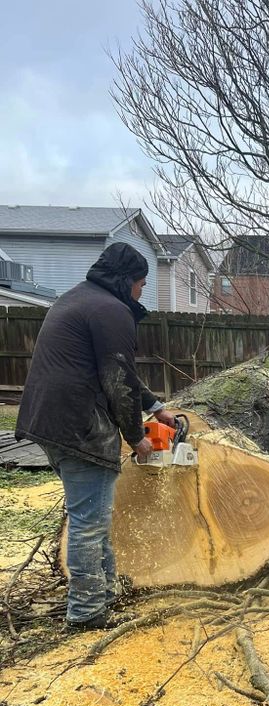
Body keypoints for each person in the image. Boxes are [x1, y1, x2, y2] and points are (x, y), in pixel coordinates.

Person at [16, 242, 176, 630]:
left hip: (49, 420)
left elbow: (119, 371)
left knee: (93, 516)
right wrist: (137, 437)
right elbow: (118, 380)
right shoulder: (111, 310)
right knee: (89, 523)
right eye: (141, 285)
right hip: (79, 425)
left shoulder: (80, 299)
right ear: (126, 281)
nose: (141, 292)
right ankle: (86, 612)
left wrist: (155, 407)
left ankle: (103, 594)